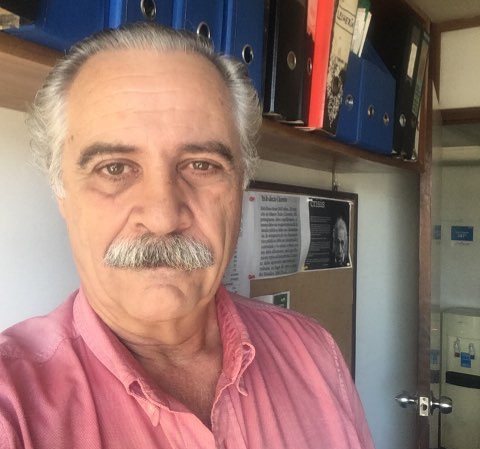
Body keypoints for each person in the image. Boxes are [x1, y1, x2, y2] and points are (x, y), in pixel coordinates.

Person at [0, 24, 375, 449]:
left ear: (240, 186)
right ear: (62, 193)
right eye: (115, 168)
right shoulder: (14, 408)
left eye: (201, 165)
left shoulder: (315, 354)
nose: (163, 217)